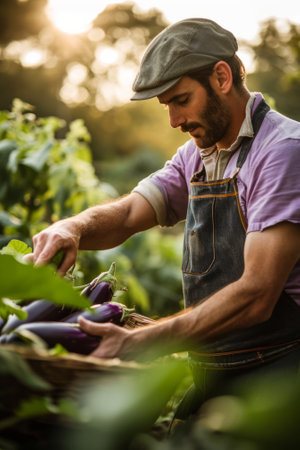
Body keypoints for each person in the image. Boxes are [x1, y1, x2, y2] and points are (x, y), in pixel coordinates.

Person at [27, 18, 300, 416]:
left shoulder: (282, 153)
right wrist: (73, 227)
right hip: (214, 372)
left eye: (180, 100)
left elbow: (257, 295)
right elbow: (127, 215)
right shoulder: (198, 156)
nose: (173, 121)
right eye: (167, 106)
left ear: (221, 77)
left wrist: (146, 339)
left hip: (280, 380)